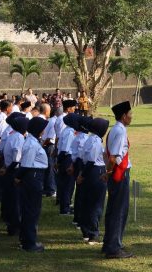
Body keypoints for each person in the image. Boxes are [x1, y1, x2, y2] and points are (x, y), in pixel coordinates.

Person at [103, 101, 134, 259]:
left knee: (113, 209)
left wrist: (107, 171)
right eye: (130, 114)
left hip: (115, 173)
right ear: (123, 116)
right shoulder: (120, 131)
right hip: (119, 174)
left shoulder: (114, 130)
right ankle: (114, 248)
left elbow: (106, 154)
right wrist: (108, 172)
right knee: (119, 211)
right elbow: (113, 157)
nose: (131, 117)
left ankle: (109, 243)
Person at [17, 116, 49, 252]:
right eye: (42, 129)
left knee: (29, 209)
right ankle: (29, 243)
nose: (44, 131)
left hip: (33, 176)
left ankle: (26, 238)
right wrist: (18, 177)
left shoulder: (32, 141)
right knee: (32, 210)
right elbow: (26, 165)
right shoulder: (31, 144)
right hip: (33, 177)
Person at [78, 117, 109, 245]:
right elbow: (91, 160)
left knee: (87, 203)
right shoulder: (96, 142)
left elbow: (83, 158)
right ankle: (93, 235)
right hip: (96, 172)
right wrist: (83, 175)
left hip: (88, 171)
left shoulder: (89, 139)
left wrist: (82, 174)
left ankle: (86, 232)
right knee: (96, 204)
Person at [1, 113, 27, 236]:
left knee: (11, 199)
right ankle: (15, 226)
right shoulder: (19, 138)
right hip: (14, 170)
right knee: (16, 200)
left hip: (9, 169)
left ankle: (11, 223)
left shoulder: (12, 135)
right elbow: (17, 159)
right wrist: (8, 169)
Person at [56, 112, 78, 216]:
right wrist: (59, 162)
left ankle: (66, 205)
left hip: (64, 158)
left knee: (66, 184)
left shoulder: (66, 130)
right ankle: (65, 208)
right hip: (67, 159)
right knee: (67, 185)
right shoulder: (69, 133)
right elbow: (65, 150)